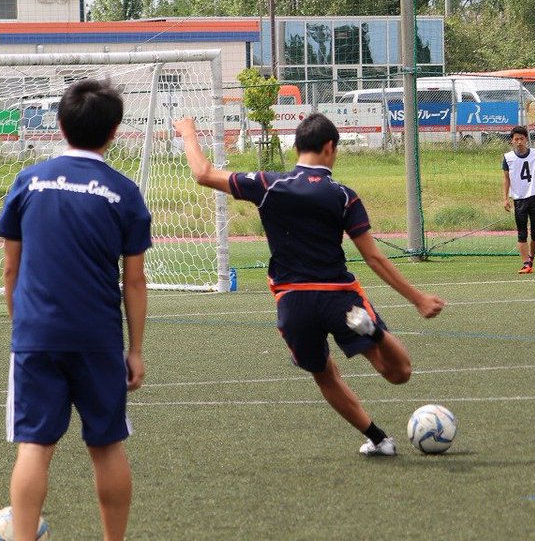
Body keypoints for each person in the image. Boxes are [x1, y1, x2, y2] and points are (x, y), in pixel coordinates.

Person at [175, 113, 445, 456]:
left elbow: (203, 173)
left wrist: (187, 133)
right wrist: (417, 298)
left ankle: (379, 439)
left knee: (324, 373)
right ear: (330, 147)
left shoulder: (268, 184)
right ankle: (373, 333)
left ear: (297, 147)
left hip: (293, 303)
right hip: (340, 298)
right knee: (398, 372)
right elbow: (374, 258)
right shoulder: (343, 195)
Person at [0, 79, 150, 541]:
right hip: (98, 338)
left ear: (60, 125)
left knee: (35, 447)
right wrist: (135, 349)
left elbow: (10, 268)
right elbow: (134, 280)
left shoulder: (28, 181)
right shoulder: (124, 192)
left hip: (36, 334)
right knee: (107, 446)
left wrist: (21, 326)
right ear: (115, 131)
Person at [502, 124, 535, 274]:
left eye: (521, 139)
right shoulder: (508, 158)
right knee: (522, 233)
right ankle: (526, 263)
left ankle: (531, 258)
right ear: (512, 141)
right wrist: (505, 198)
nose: (519, 142)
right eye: (516, 139)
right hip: (519, 199)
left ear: (526, 139)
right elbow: (506, 179)